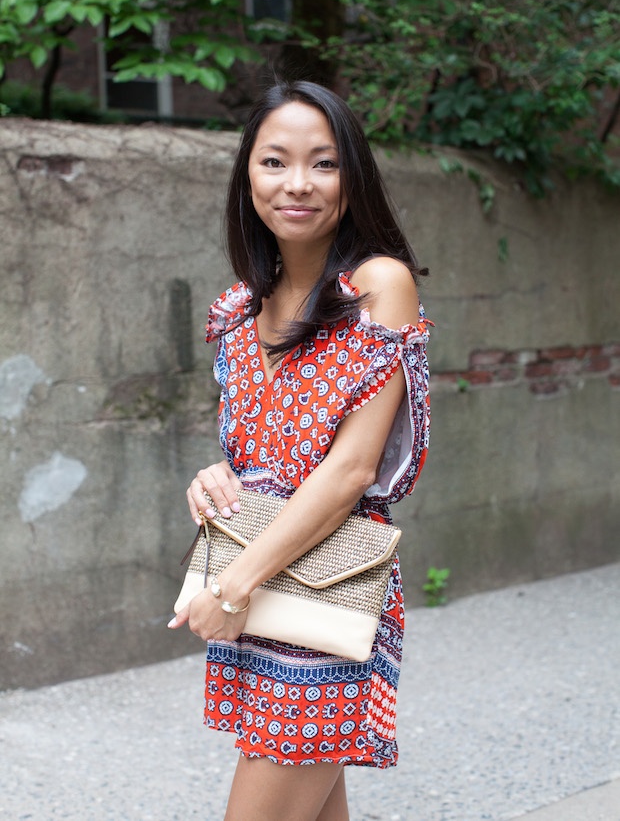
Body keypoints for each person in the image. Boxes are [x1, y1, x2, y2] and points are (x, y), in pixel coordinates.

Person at [168, 79, 431, 821]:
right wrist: (214, 475)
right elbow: (261, 454)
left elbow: (349, 470)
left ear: (353, 177)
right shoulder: (240, 306)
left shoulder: (379, 285)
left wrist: (231, 587)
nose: (297, 184)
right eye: (274, 162)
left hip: (319, 588)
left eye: (323, 163)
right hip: (261, 589)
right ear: (247, 176)